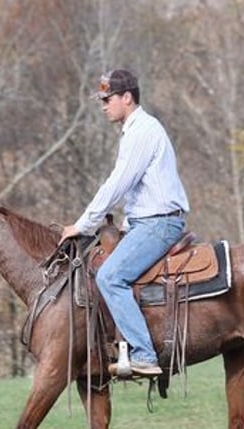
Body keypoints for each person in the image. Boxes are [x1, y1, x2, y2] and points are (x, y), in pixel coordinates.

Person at [60, 69, 190, 376]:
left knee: (110, 277)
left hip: (158, 224)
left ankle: (144, 354)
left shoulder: (142, 131)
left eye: (108, 99)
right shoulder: (136, 130)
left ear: (127, 98)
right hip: (146, 222)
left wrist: (83, 224)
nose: (103, 105)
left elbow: (118, 183)